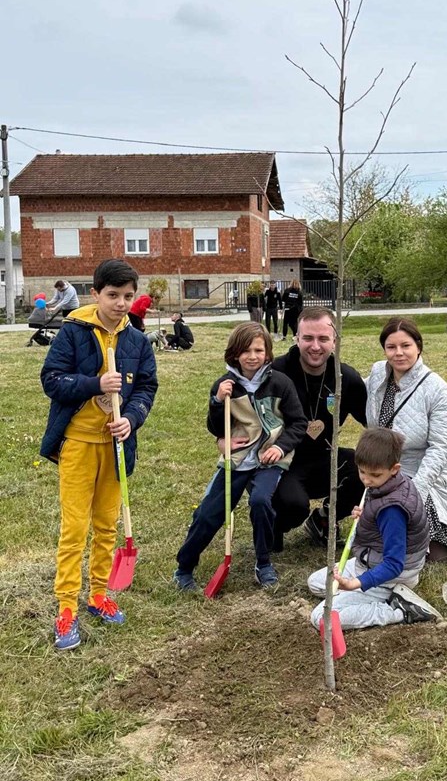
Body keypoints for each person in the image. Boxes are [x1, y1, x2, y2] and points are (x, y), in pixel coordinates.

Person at [40, 259, 158, 651]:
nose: (121, 304)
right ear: (95, 294)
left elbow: (147, 387)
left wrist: (132, 419)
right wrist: (94, 383)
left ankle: (99, 594)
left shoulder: (137, 340)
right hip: (78, 444)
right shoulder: (73, 332)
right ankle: (66, 605)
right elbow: (51, 380)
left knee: (107, 524)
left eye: (128, 296)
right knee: (75, 528)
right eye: (113, 295)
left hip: (115, 446)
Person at [173, 323, 307, 590]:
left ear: (267, 353)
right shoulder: (224, 386)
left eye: (258, 350)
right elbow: (215, 427)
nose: (252, 356)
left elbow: (298, 423)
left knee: (260, 501)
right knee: (208, 513)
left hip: (269, 459)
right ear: (234, 353)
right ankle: (184, 568)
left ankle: (263, 562)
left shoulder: (280, 383)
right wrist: (217, 402)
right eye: (245, 351)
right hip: (237, 458)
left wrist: (280, 448)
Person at [308, 428, 441, 630]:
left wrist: (356, 583)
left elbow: (394, 564)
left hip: (391, 574)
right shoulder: (389, 484)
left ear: (394, 469)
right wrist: (366, 517)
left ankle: (399, 610)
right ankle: (361, 597)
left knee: (321, 618)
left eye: (375, 475)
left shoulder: (392, 510)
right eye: (362, 472)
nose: (366, 480)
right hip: (370, 560)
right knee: (316, 583)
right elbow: (380, 523)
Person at [366, 317, 447, 563]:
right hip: (382, 471)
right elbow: (349, 389)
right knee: (381, 540)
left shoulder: (437, 388)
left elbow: (440, 448)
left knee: (433, 551)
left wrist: (415, 490)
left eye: (405, 345)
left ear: (418, 346)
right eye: (391, 347)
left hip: (421, 472)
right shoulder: (378, 374)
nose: (398, 353)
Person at [272, 308, 368, 549]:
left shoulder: (346, 378)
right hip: (284, 461)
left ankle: (323, 520)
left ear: (334, 341)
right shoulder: (276, 372)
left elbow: (373, 422)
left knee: (366, 468)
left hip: (326, 458)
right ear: (296, 338)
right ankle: (272, 523)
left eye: (323, 338)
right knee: (293, 506)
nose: (315, 346)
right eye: (308, 338)